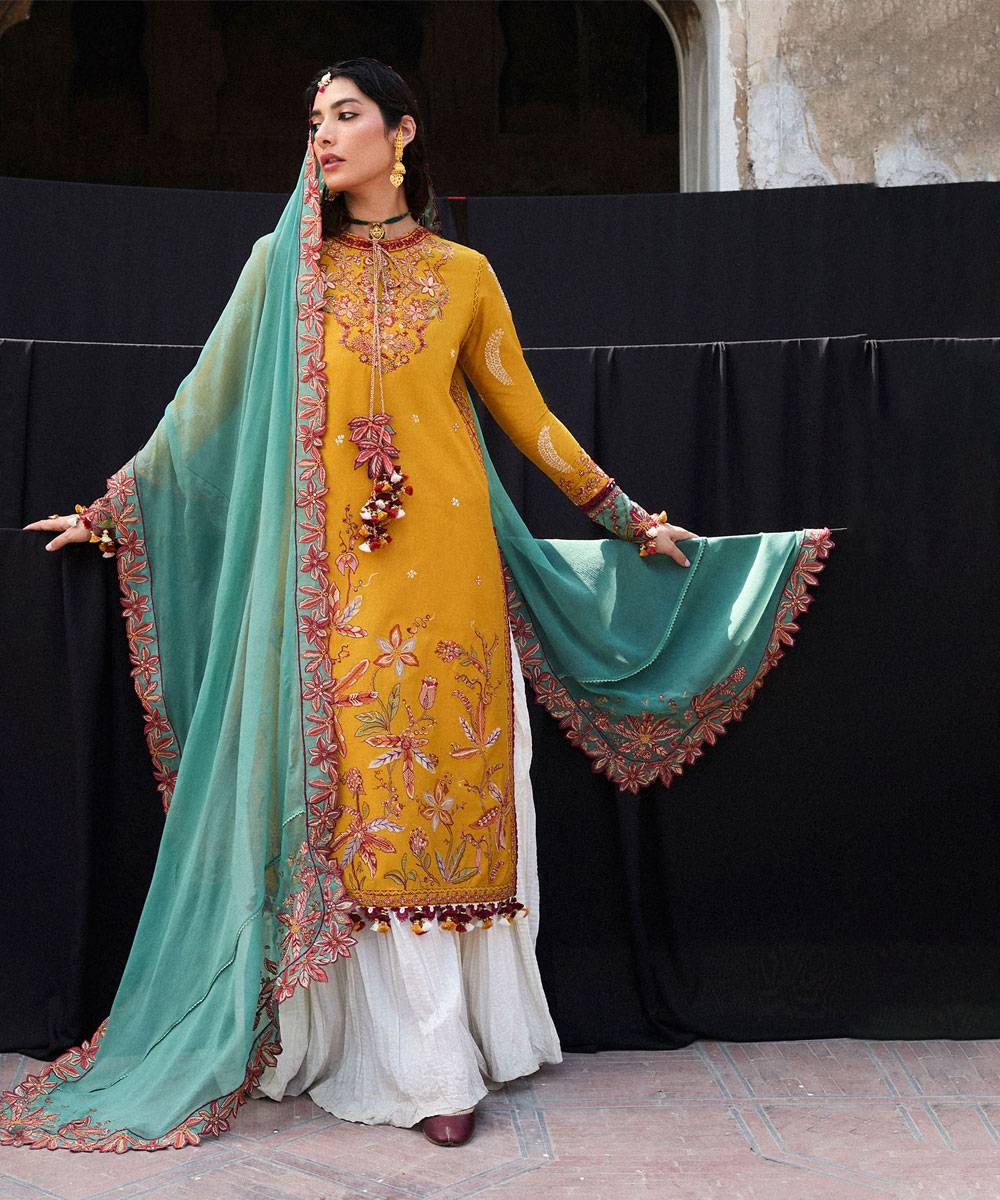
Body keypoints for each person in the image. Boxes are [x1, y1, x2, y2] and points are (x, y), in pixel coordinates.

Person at [7, 58, 832, 1154]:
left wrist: (626, 515)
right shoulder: (282, 270)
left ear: (402, 134)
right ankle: (381, 1054)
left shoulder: (463, 274)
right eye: (314, 117)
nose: (323, 135)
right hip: (326, 587)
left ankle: (446, 1058)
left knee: (437, 792)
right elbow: (205, 401)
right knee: (361, 802)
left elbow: (527, 415)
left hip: (448, 575)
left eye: (346, 115)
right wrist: (115, 507)